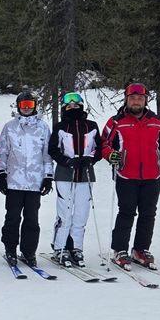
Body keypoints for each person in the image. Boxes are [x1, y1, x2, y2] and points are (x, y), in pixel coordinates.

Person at [102, 82, 160, 268]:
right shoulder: (116, 121)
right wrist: (110, 155)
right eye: (132, 98)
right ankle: (120, 249)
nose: (136, 102)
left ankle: (140, 249)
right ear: (126, 99)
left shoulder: (155, 120)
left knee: (148, 214)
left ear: (145, 100)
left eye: (140, 98)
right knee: (126, 212)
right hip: (126, 176)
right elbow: (104, 143)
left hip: (152, 176)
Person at [0, 90, 54, 268]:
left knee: (32, 219)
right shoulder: (10, 127)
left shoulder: (43, 127)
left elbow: (47, 155)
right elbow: (3, 153)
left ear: (35, 106)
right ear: (18, 107)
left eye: (30, 105)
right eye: (23, 106)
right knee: (12, 217)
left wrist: (48, 176)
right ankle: (10, 248)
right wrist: (2, 174)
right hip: (14, 181)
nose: (27, 109)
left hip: (34, 183)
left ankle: (29, 252)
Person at [47, 92, 103, 268]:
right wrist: (66, 161)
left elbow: (100, 148)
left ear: (81, 106)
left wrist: (91, 159)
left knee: (81, 213)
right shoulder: (60, 126)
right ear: (65, 107)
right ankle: (60, 248)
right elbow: (53, 149)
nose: (72, 106)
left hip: (85, 174)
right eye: (69, 104)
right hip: (65, 174)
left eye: (76, 104)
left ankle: (76, 248)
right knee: (65, 213)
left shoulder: (91, 126)